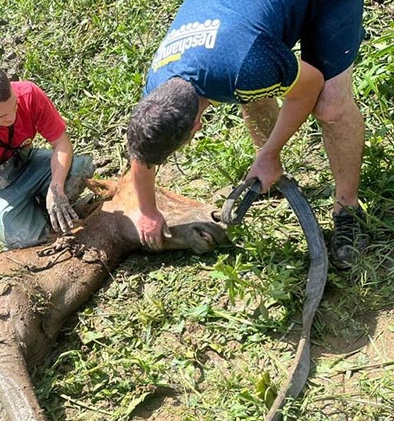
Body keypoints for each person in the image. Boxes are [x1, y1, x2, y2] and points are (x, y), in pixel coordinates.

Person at [126, 0, 369, 269]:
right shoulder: (160, 85)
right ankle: (272, 176)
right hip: (241, 36)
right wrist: (147, 210)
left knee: (330, 106)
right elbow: (142, 147)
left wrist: (269, 154)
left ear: (196, 128)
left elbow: (310, 87)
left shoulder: (246, 67)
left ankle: (348, 210)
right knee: (250, 81)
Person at [0, 64, 94, 273]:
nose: (11, 117)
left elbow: (62, 143)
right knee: (26, 238)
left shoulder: (29, 93)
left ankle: (48, 203)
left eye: (13, 106)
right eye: (0, 117)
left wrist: (56, 189)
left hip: (30, 163)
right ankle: (40, 215)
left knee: (81, 168)